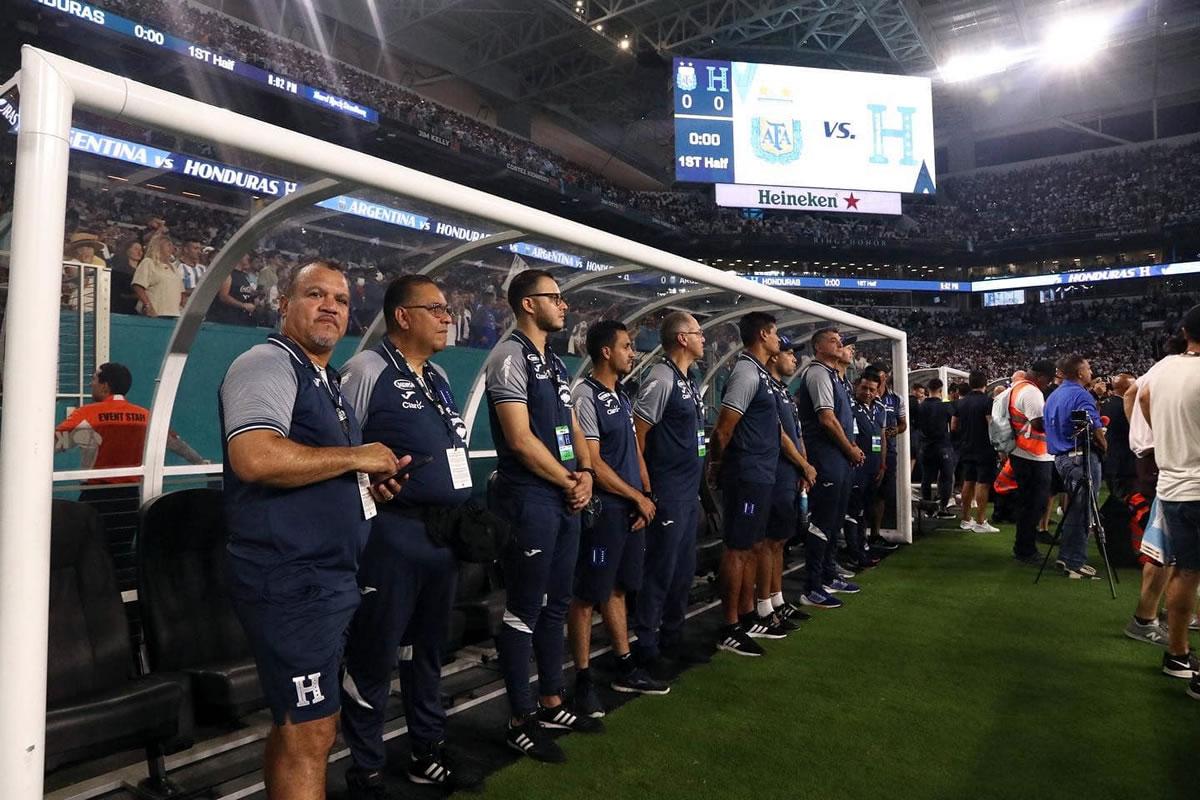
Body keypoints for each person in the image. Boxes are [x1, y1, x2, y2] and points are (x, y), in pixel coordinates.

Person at [219, 259, 406, 800]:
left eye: (341, 299)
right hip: (290, 578)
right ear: (284, 305)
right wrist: (355, 457)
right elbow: (254, 456)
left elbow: (325, 465)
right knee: (313, 729)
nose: (330, 306)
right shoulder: (266, 363)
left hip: (327, 577)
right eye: (315, 294)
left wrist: (366, 482)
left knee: (299, 726)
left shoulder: (329, 382)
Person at [338, 275, 480, 795]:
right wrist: (365, 490)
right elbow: (339, 448)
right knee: (374, 655)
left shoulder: (439, 376)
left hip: (441, 540)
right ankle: (367, 767)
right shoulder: (366, 369)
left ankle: (427, 748)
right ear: (403, 316)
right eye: (436, 309)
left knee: (428, 652)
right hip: (392, 538)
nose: (448, 317)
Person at [484, 269, 601, 764]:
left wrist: (588, 472)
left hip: (561, 493)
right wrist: (568, 479)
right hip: (530, 497)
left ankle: (552, 699)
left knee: (557, 603)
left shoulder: (552, 361)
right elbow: (519, 438)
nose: (564, 305)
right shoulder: (508, 356)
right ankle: (519, 719)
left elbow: (571, 423)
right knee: (525, 609)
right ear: (527, 305)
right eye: (554, 297)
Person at [568, 320, 667, 719]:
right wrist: (632, 497)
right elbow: (591, 462)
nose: (633, 352)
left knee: (619, 589)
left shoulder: (622, 397)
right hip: (604, 511)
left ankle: (624, 665)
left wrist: (644, 494)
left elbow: (632, 454)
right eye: (627, 346)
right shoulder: (585, 395)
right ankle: (582, 680)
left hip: (627, 508)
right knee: (586, 597)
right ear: (606, 351)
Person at [632, 311, 709, 668]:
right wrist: (647, 488)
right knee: (660, 572)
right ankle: (646, 646)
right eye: (698, 332)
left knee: (682, 571)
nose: (704, 338)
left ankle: (673, 639)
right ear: (682, 338)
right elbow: (638, 435)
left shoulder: (688, 380)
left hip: (688, 491)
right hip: (668, 491)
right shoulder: (661, 378)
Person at [54, 362, 206, 542]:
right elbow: (177, 444)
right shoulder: (145, 415)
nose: (90, 384)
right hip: (130, 497)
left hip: (96, 497)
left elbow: (54, 442)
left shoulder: (88, 414)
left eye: (93, 379)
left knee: (91, 551)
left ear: (105, 386)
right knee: (122, 548)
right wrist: (200, 463)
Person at [709, 311, 787, 656]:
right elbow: (724, 427)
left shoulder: (759, 373)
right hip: (747, 475)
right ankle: (729, 626)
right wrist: (718, 465)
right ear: (764, 334)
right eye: (776, 333)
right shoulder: (745, 371)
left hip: (761, 474)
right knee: (738, 549)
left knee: (752, 546)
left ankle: (745, 614)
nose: (779, 340)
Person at [1138, 304, 1200, 693]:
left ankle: (1178, 653)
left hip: (1174, 485)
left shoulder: (1162, 370)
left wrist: (1168, 441)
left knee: (1186, 571)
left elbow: (1139, 398)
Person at [795, 327, 864, 610]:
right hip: (827, 457)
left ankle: (828, 574)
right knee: (822, 521)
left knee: (834, 519)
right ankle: (812, 586)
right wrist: (849, 448)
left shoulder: (835, 377)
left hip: (839, 457)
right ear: (818, 347)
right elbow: (826, 418)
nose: (839, 344)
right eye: (833, 341)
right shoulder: (818, 373)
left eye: (840, 341)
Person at [765, 337, 817, 616]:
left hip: (790, 473)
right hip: (775, 472)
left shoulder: (783, 391)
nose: (795, 359)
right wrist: (804, 465)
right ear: (774, 357)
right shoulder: (768, 390)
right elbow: (781, 436)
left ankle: (777, 600)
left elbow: (796, 435)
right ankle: (764, 605)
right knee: (769, 542)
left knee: (780, 540)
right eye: (789, 353)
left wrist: (803, 465)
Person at [1043, 355, 1106, 579]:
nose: (1091, 371)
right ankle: (1074, 561)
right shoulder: (1081, 395)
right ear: (1079, 373)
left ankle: (1067, 556)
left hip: (1061, 457)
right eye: (1088, 367)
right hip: (1080, 457)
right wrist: (1106, 447)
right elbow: (1094, 429)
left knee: (1076, 509)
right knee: (1083, 511)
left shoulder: (1055, 394)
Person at [1008, 361, 1056, 564]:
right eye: (1049, 380)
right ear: (1042, 377)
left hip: (1024, 453)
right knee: (1033, 504)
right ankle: (1025, 550)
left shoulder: (1018, 387)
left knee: (1029, 504)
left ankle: (1024, 547)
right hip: (1033, 455)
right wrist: (1059, 424)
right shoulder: (1032, 392)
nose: (1049, 384)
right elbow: (1039, 422)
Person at [844, 373, 885, 570]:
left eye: (872, 389)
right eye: (864, 388)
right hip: (855, 469)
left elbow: (881, 437)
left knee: (864, 511)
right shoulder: (849, 408)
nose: (868, 393)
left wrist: (882, 463)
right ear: (856, 386)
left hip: (873, 468)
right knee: (854, 512)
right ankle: (854, 553)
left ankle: (862, 547)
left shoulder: (878, 409)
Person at [953, 370, 999, 533]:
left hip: (966, 447)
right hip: (984, 448)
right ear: (985, 385)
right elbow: (991, 425)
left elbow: (953, 426)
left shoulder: (961, 403)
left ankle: (965, 519)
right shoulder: (988, 402)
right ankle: (980, 521)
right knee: (982, 484)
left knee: (968, 481)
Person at [868, 364, 905, 548]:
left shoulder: (896, 399)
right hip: (866, 451)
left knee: (882, 494)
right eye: (877, 376)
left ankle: (875, 533)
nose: (880, 379)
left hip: (888, 450)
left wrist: (892, 431)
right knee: (864, 494)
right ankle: (861, 536)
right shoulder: (864, 393)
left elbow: (903, 424)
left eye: (882, 376)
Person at [918, 378, 956, 517]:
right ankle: (942, 508)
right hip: (942, 446)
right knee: (946, 477)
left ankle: (928, 509)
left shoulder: (920, 406)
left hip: (925, 446)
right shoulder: (946, 406)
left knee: (926, 478)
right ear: (940, 390)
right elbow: (953, 425)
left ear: (927, 390)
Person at [133, 234, 184, 318]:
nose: (172, 248)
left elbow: (181, 291)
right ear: (158, 246)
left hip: (174, 313)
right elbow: (138, 285)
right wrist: (148, 306)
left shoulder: (174, 267)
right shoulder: (149, 262)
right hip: (156, 313)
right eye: (168, 245)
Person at [210, 253, 260, 326]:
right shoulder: (228, 273)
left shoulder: (243, 275)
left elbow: (241, 292)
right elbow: (223, 296)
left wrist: (254, 297)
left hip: (242, 317)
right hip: (226, 317)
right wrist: (243, 305)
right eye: (246, 254)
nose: (248, 257)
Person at [107, 237, 143, 315]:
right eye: (136, 249)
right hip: (122, 310)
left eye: (141, 250)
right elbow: (117, 293)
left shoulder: (143, 271)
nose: (139, 252)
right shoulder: (119, 270)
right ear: (127, 251)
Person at [177, 238, 207, 302]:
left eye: (200, 249)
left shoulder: (203, 268)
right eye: (195, 249)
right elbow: (175, 289)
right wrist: (196, 291)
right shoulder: (177, 267)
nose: (199, 252)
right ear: (186, 249)